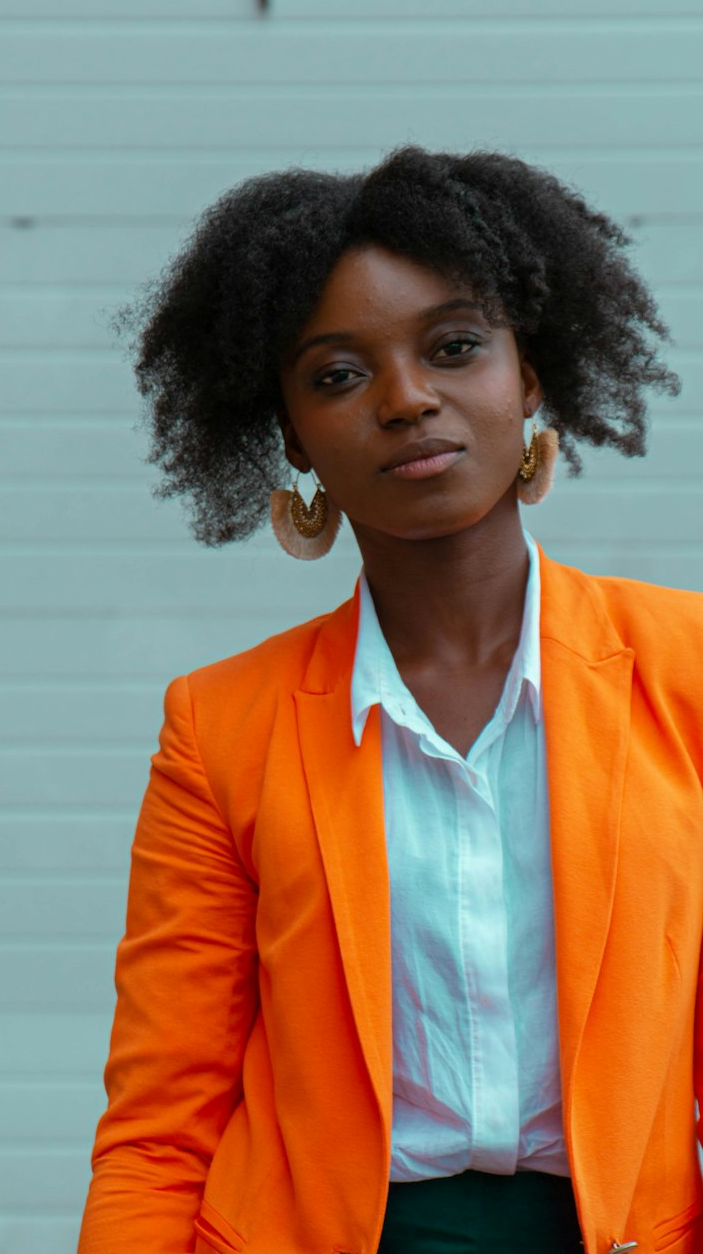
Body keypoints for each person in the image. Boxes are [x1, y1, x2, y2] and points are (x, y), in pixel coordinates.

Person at [76, 146, 703, 1254]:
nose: (408, 399)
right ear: (289, 436)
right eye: (336, 374)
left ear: (530, 376)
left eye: (455, 348)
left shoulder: (686, 669)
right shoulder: (220, 730)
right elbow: (159, 1130)